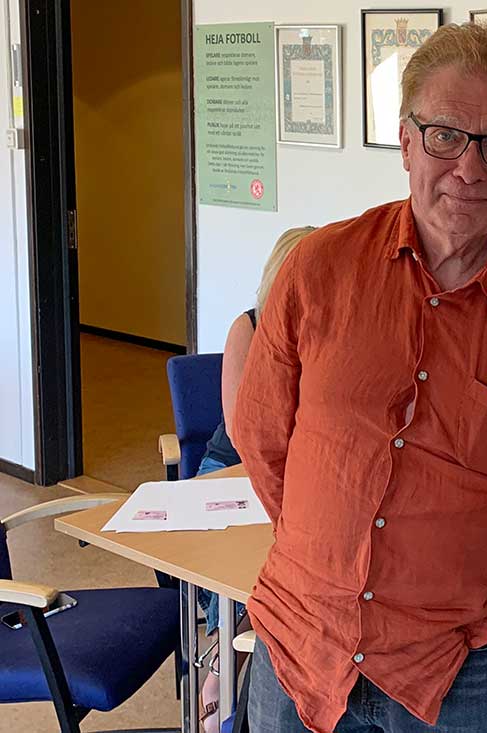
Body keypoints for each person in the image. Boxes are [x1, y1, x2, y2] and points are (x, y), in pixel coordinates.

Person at [232, 23, 487, 733]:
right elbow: (263, 438)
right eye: (445, 136)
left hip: (463, 663)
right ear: (405, 143)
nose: (470, 168)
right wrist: (326, 554)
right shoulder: (318, 268)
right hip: (303, 641)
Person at [194, 225, 314, 733]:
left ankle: (233, 662)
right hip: (233, 470)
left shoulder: (335, 329)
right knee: (266, 572)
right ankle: (225, 664)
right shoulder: (249, 326)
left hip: (302, 474)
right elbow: (246, 433)